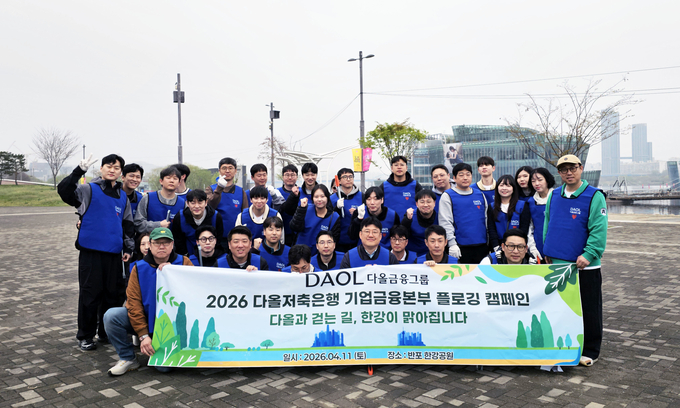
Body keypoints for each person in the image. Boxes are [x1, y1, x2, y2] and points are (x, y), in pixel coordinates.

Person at [58, 153, 134, 351]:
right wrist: (78, 171)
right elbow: (64, 192)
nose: (112, 170)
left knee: (112, 295)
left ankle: (105, 332)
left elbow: (127, 223)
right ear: (101, 169)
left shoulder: (122, 196)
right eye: (109, 166)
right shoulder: (88, 189)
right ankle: (85, 335)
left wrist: (128, 247)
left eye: (116, 168)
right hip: (91, 252)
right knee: (90, 295)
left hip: (114, 254)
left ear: (120, 173)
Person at [543, 154, 607, 367]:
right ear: (559, 173)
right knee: (562, 307)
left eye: (572, 168)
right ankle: (564, 344)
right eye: (564, 169)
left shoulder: (594, 195)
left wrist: (589, 254)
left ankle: (590, 349)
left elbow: (599, 229)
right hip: (557, 263)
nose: (568, 173)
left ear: (581, 168)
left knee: (589, 308)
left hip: (584, 266)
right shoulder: (554, 194)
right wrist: (547, 248)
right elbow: (548, 222)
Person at [103, 227, 192, 376]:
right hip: (147, 320)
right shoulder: (139, 268)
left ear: (172, 245)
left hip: (174, 325)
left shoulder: (184, 262)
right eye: (157, 243)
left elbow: (194, 291)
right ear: (150, 245)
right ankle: (128, 358)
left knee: (164, 368)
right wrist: (143, 335)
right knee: (112, 316)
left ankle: (167, 348)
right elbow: (133, 304)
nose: (162, 246)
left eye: (166, 243)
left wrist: (176, 273)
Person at [439, 163, 497, 264]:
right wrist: (452, 244)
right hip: (459, 247)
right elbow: (445, 222)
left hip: (482, 246)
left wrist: (489, 243)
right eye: (461, 175)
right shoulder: (448, 195)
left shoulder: (480, 194)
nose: (465, 178)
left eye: (468, 174)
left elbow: (486, 220)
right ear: (454, 178)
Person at [289, 184, 341, 255]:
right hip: (300, 253)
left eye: (322, 196)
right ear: (312, 198)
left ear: (327, 198)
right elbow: (294, 227)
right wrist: (301, 209)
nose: (319, 199)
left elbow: (334, 240)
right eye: (316, 197)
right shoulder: (305, 209)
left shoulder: (334, 217)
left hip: (320, 256)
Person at [209, 157, 248, 250]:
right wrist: (219, 188)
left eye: (230, 168)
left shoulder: (240, 191)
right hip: (215, 238)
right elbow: (209, 207)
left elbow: (245, 213)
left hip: (236, 238)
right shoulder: (211, 189)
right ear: (219, 171)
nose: (227, 171)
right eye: (224, 168)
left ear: (235, 171)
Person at [171, 189, 223, 257]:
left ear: (206, 203)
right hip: (188, 255)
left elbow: (218, 240)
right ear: (187, 203)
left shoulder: (215, 217)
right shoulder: (179, 217)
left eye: (200, 202)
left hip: (210, 255)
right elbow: (178, 242)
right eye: (193, 203)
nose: (196, 206)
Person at [134, 166, 184, 234]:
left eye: (175, 178)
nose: (171, 181)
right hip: (150, 239)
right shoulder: (148, 198)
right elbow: (138, 224)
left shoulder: (182, 203)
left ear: (179, 183)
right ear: (161, 181)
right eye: (168, 178)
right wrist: (158, 225)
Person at [489, 175, 531, 243]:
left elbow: (524, 228)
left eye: (508, 186)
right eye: (501, 185)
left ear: (513, 188)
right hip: (498, 245)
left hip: (517, 244)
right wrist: (496, 246)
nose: (504, 188)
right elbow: (491, 229)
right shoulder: (492, 206)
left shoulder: (522, 205)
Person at [526, 167, 555, 260]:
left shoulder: (557, 198)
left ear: (547, 180)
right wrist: (532, 248)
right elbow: (530, 228)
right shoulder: (531, 202)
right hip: (538, 247)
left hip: (556, 247)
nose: (536, 183)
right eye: (533, 181)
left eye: (540, 180)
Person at [331, 168, 362, 252]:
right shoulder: (332, 198)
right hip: (338, 242)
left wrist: (357, 213)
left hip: (357, 241)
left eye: (350, 176)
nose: (348, 179)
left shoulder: (362, 196)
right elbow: (328, 218)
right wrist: (336, 208)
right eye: (345, 177)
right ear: (339, 181)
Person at [402, 189, 438, 256]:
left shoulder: (440, 217)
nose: (425, 205)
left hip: (434, 254)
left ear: (434, 203)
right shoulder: (410, 215)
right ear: (416, 204)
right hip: (413, 255)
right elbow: (402, 234)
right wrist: (407, 219)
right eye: (422, 202)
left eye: (429, 202)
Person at [277, 164, 299, 246]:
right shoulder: (277, 193)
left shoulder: (302, 192)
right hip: (282, 232)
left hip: (299, 233)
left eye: (292, 175)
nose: (290, 178)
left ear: (297, 177)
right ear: (282, 177)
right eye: (287, 175)